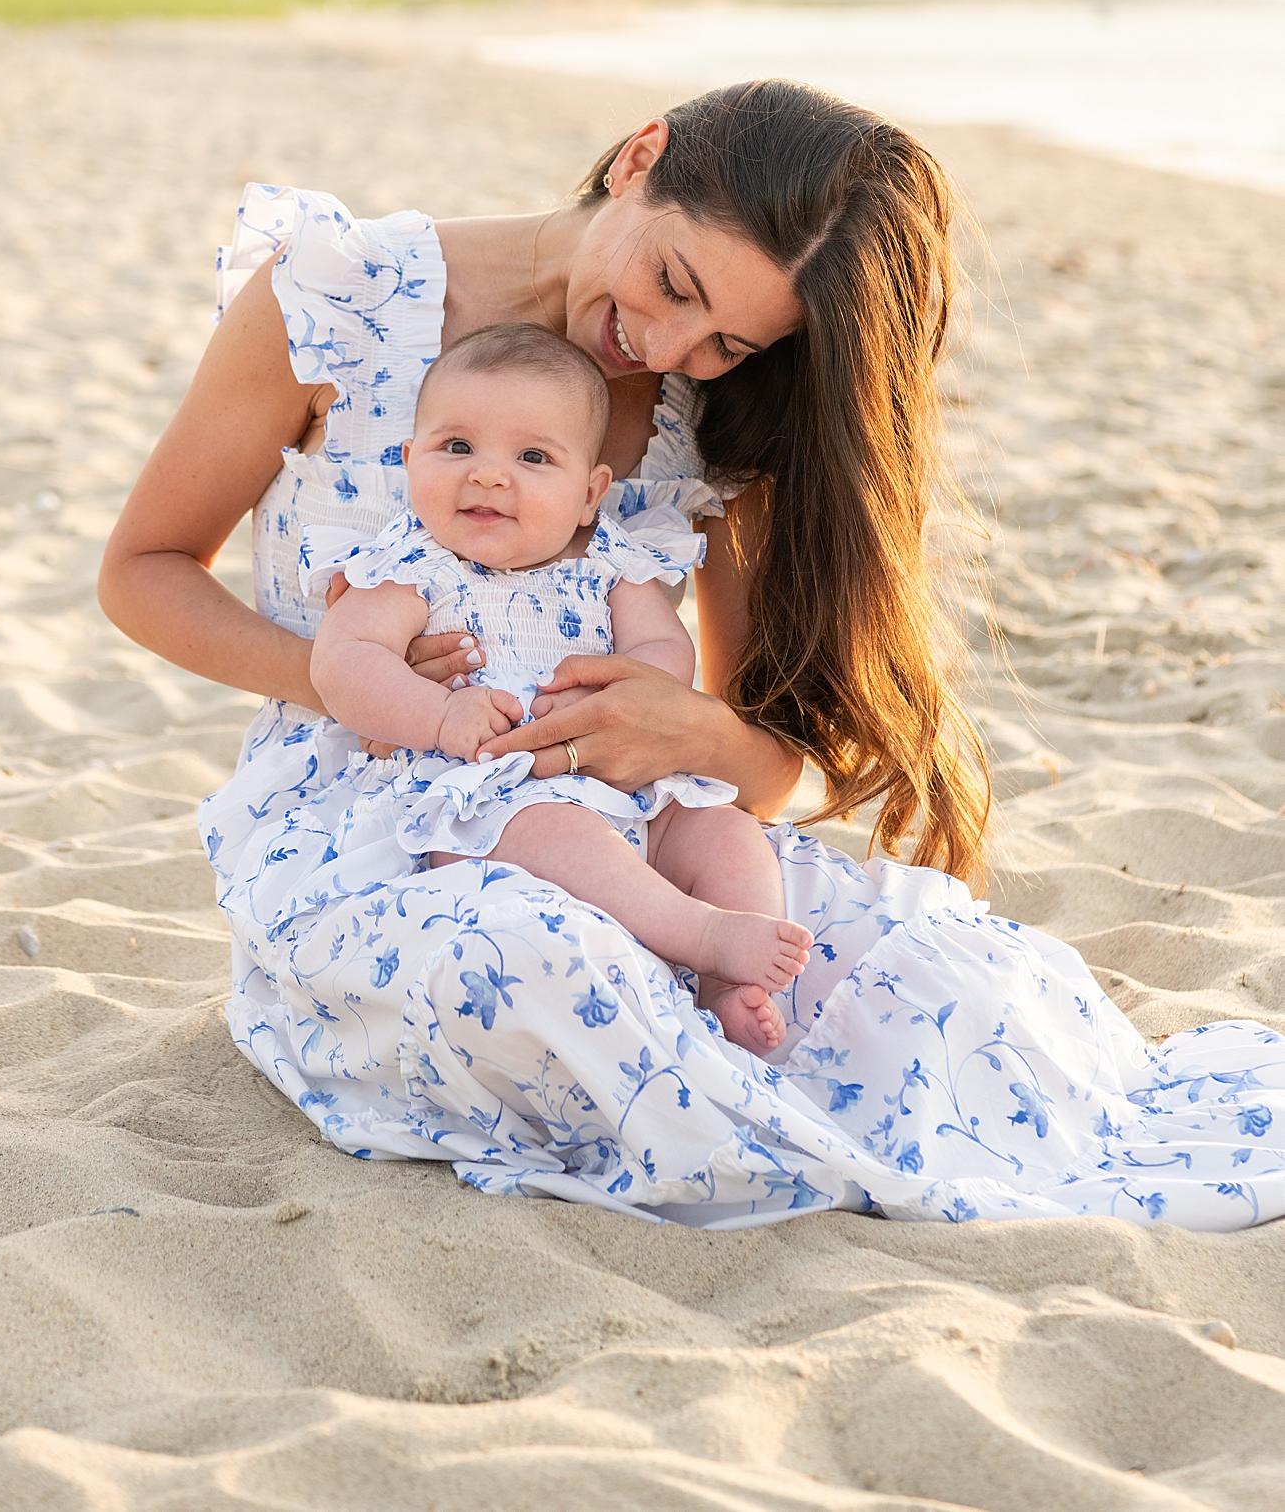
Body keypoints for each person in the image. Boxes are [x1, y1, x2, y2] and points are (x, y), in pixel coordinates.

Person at [101, 80, 1285, 1228]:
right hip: (374, 820)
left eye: (724, 340)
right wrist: (353, 681)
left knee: (940, 986)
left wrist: (705, 734)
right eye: (672, 284)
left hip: (639, 822)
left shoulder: (717, 410)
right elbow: (143, 570)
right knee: (552, 965)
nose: (661, 344)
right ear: (638, 159)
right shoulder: (336, 296)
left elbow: (779, 766)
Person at [306, 320, 813, 1056]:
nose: (487, 474)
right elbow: (345, 661)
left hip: (620, 782)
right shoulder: (415, 565)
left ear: (588, 492)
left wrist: (626, 695)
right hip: (490, 805)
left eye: (533, 456)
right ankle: (701, 934)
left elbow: (663, 649)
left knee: (725, 831)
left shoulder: (610, 560)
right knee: (558, 830)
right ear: (410, 462)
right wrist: (441, 715)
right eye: (457, 448)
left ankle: (728, 990)